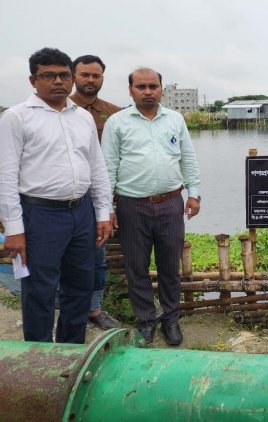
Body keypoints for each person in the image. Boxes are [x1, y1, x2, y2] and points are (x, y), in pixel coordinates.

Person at [0, 47, 113, 343]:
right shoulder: (16, 118)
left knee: (80, 286)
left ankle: (71, 350)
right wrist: (14, 230)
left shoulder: (82, 118)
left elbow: (97, 167)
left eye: (64, 75)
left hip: (81, 212)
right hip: (40, 214)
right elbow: (6, 177)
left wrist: (102, 213)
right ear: (32, 80)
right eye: (48, 75)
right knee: (40, 288)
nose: (58, 81)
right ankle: (38, 356)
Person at [101, 68, 201, 346]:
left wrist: (194, 193)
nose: (147, 91)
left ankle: (171, 318)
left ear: (162, 89)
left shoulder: (175, 119)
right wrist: (107, 208)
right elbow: (108, 167)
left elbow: (188, 159)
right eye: (141, 87)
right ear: (130, 90)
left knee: (170, 265)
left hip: (170, 203)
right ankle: (146, 320)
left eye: (153, 86)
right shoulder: (117, 122)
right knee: (137, 267)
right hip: (132, 206)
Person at [70, 54, 122, 330]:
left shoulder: (114, 113)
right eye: (85, 75)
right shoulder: (61, 109)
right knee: (58, 256)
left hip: (101, 198)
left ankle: (94, 309)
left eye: (96, 75)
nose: (90, 80)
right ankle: (64, 307)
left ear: (102, 78)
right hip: (63, 197)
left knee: (97, 258)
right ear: (73, 76)